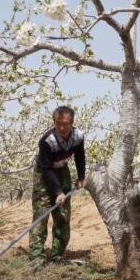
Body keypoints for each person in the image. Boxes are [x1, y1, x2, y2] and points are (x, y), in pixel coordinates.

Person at [29, 105, 85, 263]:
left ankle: (57, 255)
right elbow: (46, 169)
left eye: (65, 124)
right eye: (57, 123)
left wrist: (81, 177)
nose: (61, 127)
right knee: (41, 215)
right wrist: (58, 192)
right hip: (44, 174)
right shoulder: (47, 141)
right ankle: (36, 257)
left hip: (62, 170)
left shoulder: (78, 137)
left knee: (62, 215)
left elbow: (80, 156)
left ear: (72, 123)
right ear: (54, 122)